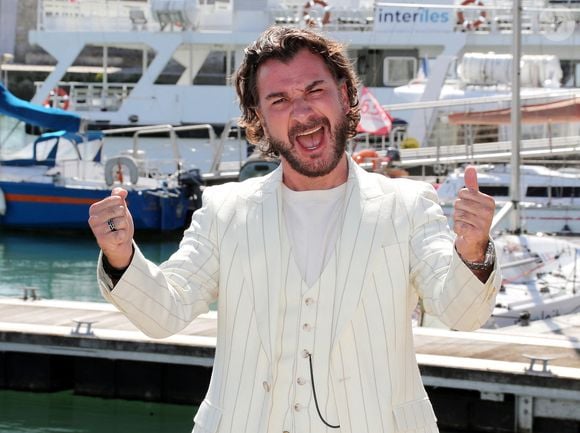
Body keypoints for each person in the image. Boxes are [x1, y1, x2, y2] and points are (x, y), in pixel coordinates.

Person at [89, 25, 501, 433]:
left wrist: (473, 247)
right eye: (280, 100)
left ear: (344, 94)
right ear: (259, 118)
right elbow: (166, 313)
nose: (302, 112)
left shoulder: (408, 206)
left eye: (314, 91)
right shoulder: (224, 210)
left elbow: (461, 314)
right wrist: (120, 256)